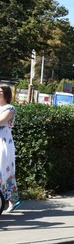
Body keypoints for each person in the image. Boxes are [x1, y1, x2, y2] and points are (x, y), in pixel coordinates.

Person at [0, 84, 20, 212]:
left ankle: (11, 201)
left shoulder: (9, 108)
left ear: (6, 94)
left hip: (3, 141)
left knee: (4, 170)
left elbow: (1, 121)